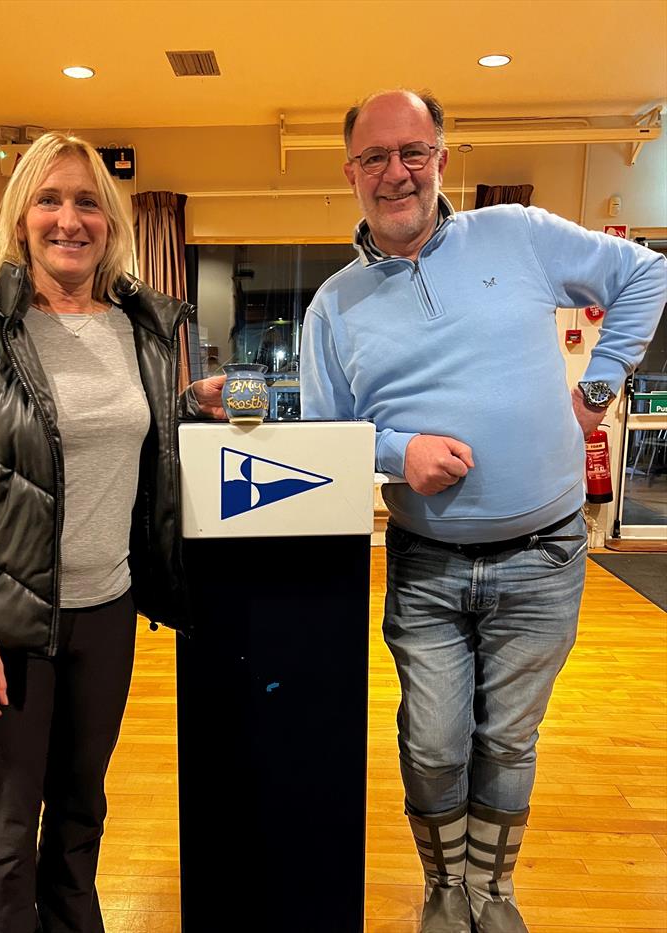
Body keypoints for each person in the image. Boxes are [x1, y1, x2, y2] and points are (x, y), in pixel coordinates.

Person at [300, 89, 666, 933]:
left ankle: (490, 891)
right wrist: (398, 453)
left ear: (440, 156)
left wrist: (598, 389)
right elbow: (328, 438)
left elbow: (647, 273)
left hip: (546, 553)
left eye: (413, 151)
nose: (397, 172)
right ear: (350, 171)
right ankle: (441, 887)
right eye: (376, 158)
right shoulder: (333, 307)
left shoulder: (516, 234)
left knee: (508, 738)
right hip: (426, 561)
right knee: (432, 742)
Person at [0, 131, 223, 933]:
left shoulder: (141, 329)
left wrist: (189, 409)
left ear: (111, 221)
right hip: (1, 624)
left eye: (88, 201)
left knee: (80, 818)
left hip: (105, 615)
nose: (69, 218)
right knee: (9, 834)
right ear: (21, 221)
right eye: (49, 199)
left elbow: (115, 439)